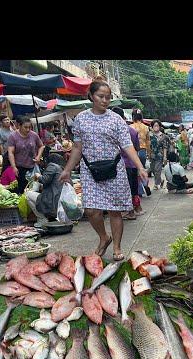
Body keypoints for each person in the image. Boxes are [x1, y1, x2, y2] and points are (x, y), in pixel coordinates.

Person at [59, 77, 148, 261]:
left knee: (115, 211)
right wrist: (67, 169)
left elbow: (127, 146)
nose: (105, 100)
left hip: (114, 169)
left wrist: (140, 166)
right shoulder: (81, 119)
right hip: (90, 171)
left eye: (107, 97)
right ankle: (103, 237)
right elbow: (77, 148)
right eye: (101, 96)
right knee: (91, 210)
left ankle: (116, 246)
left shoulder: (116, 120)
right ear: (91, 96)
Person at [111, 106, 143, 219]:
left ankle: (130, 212)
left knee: (126, 189)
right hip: (133, 164)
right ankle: (137, 208)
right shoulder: (132, 131)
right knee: (133, 188)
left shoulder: (114, 131)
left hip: (121, 165)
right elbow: (137, 148)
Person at [7, 116, 45, 194]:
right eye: (25, 127)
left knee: (35, 189)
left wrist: (38, 156)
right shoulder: (13, 136)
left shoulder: (34, 135)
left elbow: (41, 146)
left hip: (33, 167)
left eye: (29, 127)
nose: (28, 129)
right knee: (23, 189)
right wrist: (13, 167)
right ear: (19, 126)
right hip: (20, 168)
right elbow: (11, 152)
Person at [26, 153, 65, 228]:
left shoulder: (52, 166)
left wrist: (38, 176)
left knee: (28, 194)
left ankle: (42, 219)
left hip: (53, 200)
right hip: (60, 200)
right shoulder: (61, 168)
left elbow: (44, 180)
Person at [149, 120, 169, 190]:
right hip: (151, 155)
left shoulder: (163, 136)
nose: (156, 127)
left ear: (160, 127)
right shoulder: (149, 135)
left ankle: (156, 184)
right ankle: (160, 181)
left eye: (157, 125)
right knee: (153, 169)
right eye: (154, 126)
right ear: (152, 127)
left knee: (157, 170)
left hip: (160, 155)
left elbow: (165, 147)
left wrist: (165, 157)